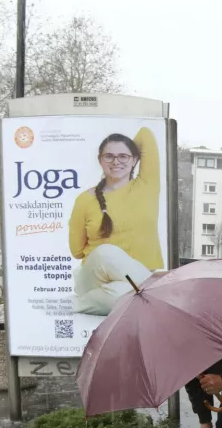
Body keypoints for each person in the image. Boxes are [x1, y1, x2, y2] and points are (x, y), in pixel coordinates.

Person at [68, 128, 164, 315]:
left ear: (135, 159)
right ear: (100, 160)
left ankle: (77, 304)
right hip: (95, 278)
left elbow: (146, 134)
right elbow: (77, 251)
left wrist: (125, 148)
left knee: (129, 295)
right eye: (109, 156)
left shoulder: (147, 185)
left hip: (135, 282)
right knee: (106, 252)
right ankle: (153, 294)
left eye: (123, 156)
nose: (116, 161)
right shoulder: (85, 199)